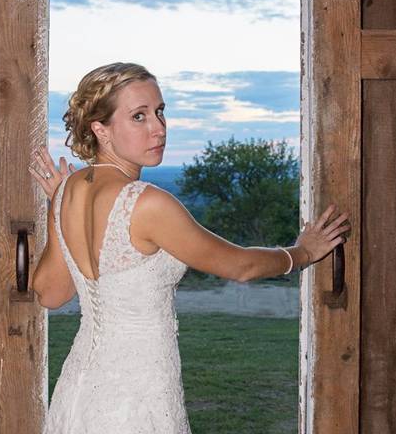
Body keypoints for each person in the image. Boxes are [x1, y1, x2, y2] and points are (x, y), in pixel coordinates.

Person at [29, 62, 350, 433]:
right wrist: (303, 253)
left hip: (79, 390)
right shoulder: (147, 203)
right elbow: (240, 266)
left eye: (160, 112)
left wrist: (59, 210)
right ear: (101, 129)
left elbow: (51, 294)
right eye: (139, 117)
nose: (159, 128)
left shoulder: (66, 192)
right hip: (136, 395)